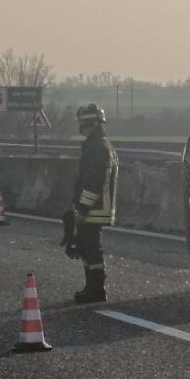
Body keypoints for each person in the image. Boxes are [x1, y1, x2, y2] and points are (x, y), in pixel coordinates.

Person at [70, 104, 119, 303]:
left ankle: (96, 290)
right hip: (97, 207)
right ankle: (92, 287)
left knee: (91, 247)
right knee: (87, 246)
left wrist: (82, 209)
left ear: (85, 123)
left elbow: (92, 183)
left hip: (94, 209)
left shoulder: (97, 148)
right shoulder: (100, 144)